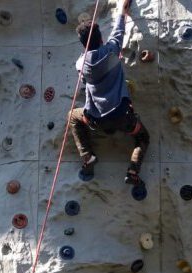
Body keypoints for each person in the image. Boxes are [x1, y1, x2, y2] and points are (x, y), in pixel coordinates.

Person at [69, 0, 149, 186]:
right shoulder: (112, 51)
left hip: (95, 120)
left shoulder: (80, 64)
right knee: (143, 137)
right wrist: (122, 11)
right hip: (123, 117)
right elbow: (119, 30)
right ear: (101, 38)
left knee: (72, 117)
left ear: (83, 45)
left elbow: (84, 81)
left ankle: (87, 156)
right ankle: (132, 171)